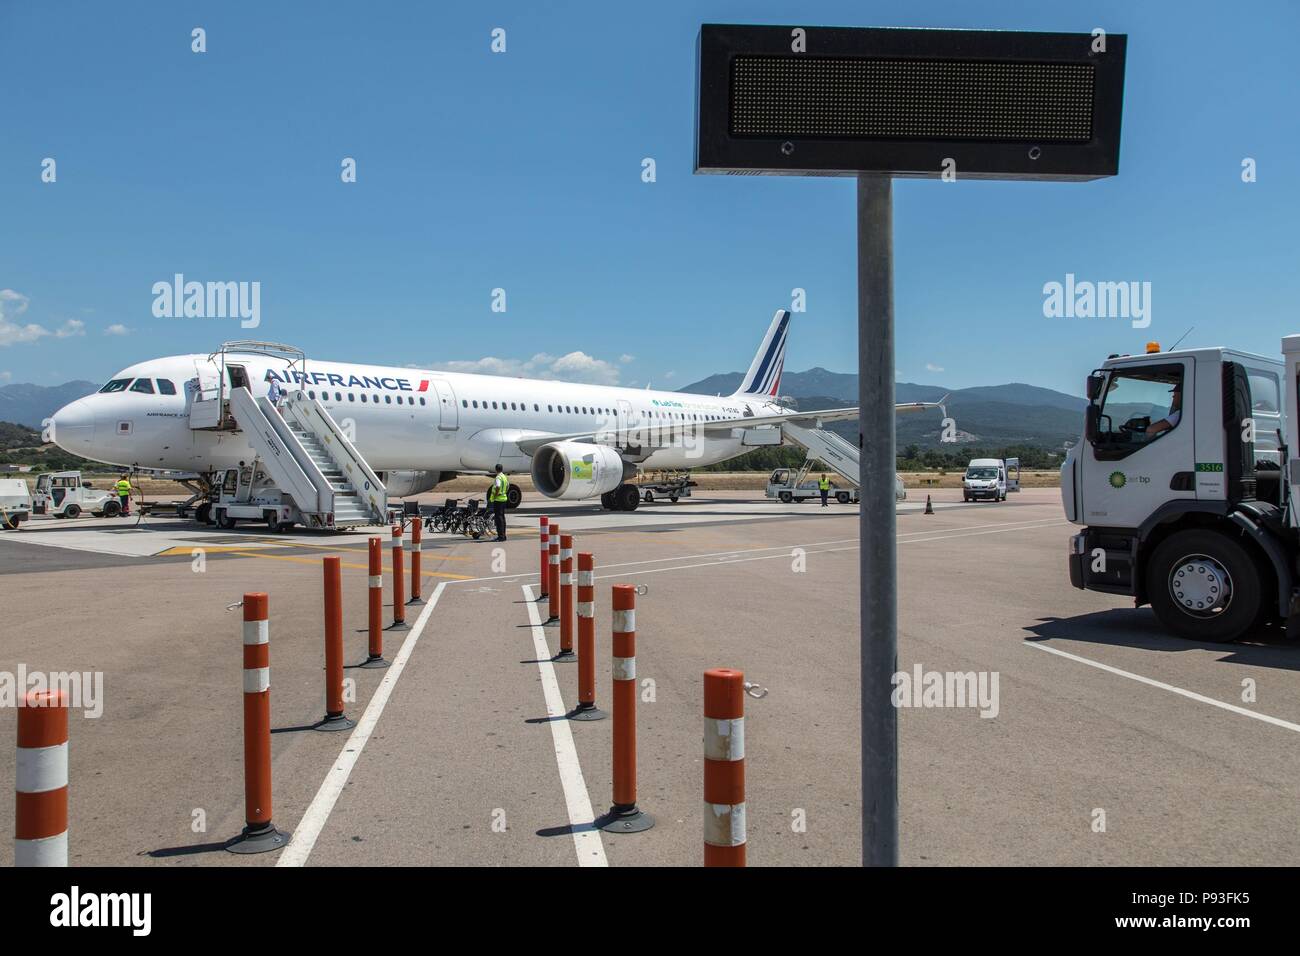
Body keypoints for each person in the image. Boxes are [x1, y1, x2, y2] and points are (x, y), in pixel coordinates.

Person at [488, 464, 509, 541]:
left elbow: (498, 486)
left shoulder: (498, 477)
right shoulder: (504, 476)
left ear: (496, 469)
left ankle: (501, 536)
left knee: (498, 519)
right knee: (502, 518)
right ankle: (503, 535)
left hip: (498, 500)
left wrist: (496, 495)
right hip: (504, 499)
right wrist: (504, 492)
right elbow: (507, 486)